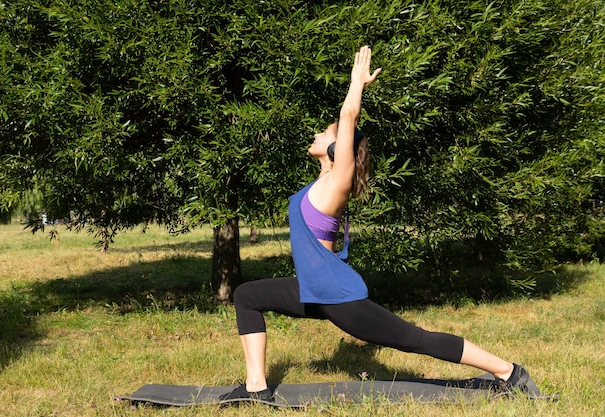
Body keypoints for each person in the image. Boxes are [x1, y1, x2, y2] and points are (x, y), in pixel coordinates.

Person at [221, 46, 542, 402]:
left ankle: (509, 371)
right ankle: (256, 389)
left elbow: (348, 116)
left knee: (417, 340)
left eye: (327, 133)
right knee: (247, 296)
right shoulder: (319, 184)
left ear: (337, 148)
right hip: (313, 289)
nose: (319, 134)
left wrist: (356, 84)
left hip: (335, 296)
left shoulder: (337, 181)